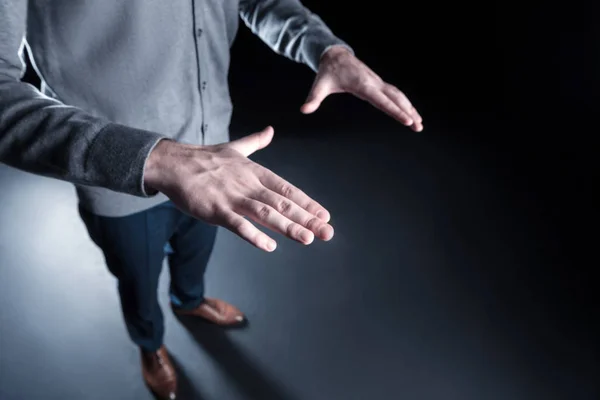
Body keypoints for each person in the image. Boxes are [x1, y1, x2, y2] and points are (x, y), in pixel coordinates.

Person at [0, 1, 423, 398]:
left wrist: (324, 47)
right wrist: (157, 158)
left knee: (195, 253)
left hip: (222, 163)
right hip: (119, 184)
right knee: (138, 282)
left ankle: (190, 302)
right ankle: (151, 345)